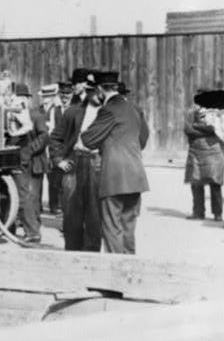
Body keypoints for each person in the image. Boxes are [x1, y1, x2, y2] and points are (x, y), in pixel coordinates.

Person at [81, 71, 150, 254]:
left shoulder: (108, 110)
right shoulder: (135, 108)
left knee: (112, 228)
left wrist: (105, 144)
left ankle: (114, 276)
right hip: (136, 176)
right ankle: (129, 270)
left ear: (100, 90)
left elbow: (89, 139)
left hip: (114, 177)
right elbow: (143, 139)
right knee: (128, 227)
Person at [50, 67, 103, 252]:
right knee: (72, 216)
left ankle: (91, 257)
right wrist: (58, 160)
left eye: (97, 89)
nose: (95, 94)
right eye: (90, 90)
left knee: (95, 216)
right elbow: (56, 137)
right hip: (74, 165)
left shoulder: (108, 112)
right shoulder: (73, 112)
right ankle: (72, 256)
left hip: (97, 165)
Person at [8, 83, 49, 243]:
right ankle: (32, 230)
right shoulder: (14, 115)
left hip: (33, 161)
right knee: (27, 197)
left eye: (19, 98)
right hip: (21, 160)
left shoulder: (35, 115)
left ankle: (32, 231)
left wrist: (28, 151)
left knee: (28, 197)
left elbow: (44, 137)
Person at [184, 91, 224, 221]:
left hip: (213, 151)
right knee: (196, 182)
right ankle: (198, 212)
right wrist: (206, 130)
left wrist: (197, 127)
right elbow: (188, 130)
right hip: (196, 151)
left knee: (215, 182)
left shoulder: (216, 112)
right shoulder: (191, 112)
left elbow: (216, 129)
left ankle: (217, 214)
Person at [39, 83, 63, 215]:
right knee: (39, 176)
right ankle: (38, 206)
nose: (45, 99)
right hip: (41, 146)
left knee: (53, 178)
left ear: (53, 97)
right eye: (44, 96)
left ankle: (55, 205)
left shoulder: (57, 110)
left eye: (48, 96)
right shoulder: (39, 110)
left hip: (52, 146)